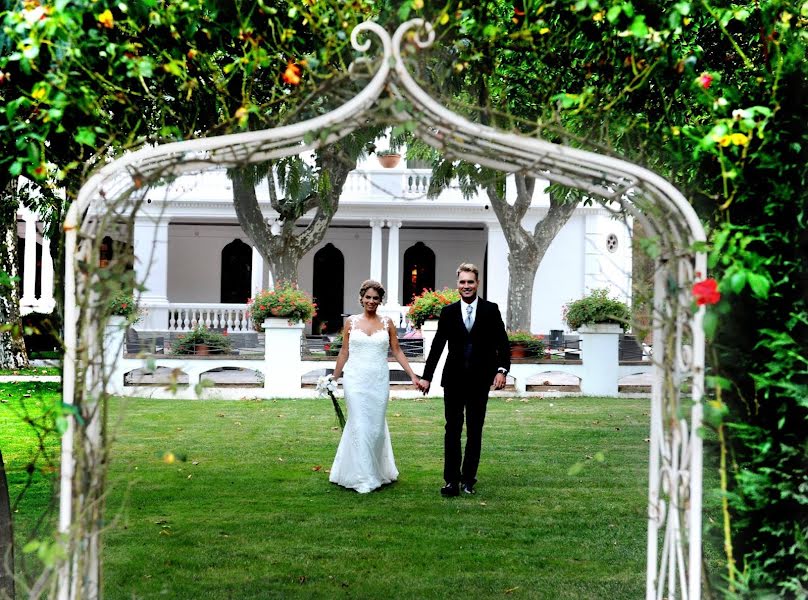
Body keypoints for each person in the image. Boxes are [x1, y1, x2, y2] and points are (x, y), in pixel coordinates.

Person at [418, 263, 510, 497]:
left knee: (475, 430)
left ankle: (468, 479)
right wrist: (427, 377)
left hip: (480, 380)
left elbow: (503, 344)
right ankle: (451, 481)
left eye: (470, 282)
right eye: (462, 282)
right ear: (457, 284)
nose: (466, 286)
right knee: (452, 430)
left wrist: (501, 371)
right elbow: (438, 345)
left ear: (477, 283)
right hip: (454, 380)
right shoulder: (448, 312)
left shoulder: (491, 310)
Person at [329, 279, 421, 493]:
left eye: (375, 298)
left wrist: (412, 375)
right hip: (355, 380)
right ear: (361, 298)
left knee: (376, 427)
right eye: (368, 297)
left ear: (380, 301)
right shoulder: (351, 322)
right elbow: (344, 352)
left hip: (378, 380)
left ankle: (378, 470)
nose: (371, 301)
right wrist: (333, 378)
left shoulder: (387, 322)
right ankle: (363, 477)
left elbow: (396, 351)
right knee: (359, 423)